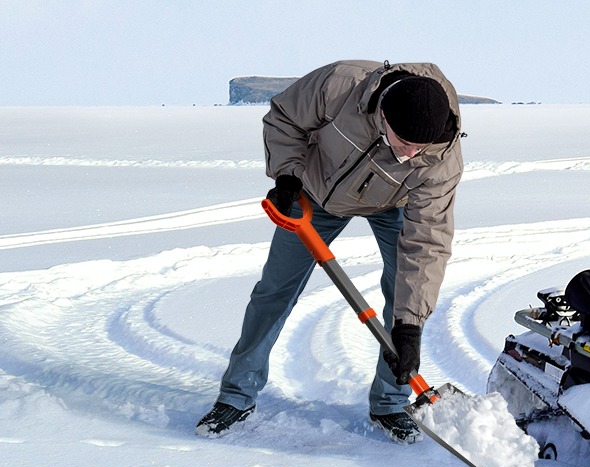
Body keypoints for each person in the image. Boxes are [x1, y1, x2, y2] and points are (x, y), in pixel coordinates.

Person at [196, 60, 464, 444]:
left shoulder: (441, 159)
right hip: (316, 195)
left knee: (403, 300)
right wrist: (287, 174)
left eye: (420, 148)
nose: (410, 154)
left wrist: (409, 327)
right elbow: (284, 117)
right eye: (404, 142)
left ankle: (390, 402)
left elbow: (428, 242)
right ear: (382, 114)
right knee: (274, 291)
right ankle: (237, 395)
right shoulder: (340, 86)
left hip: (394, 205)